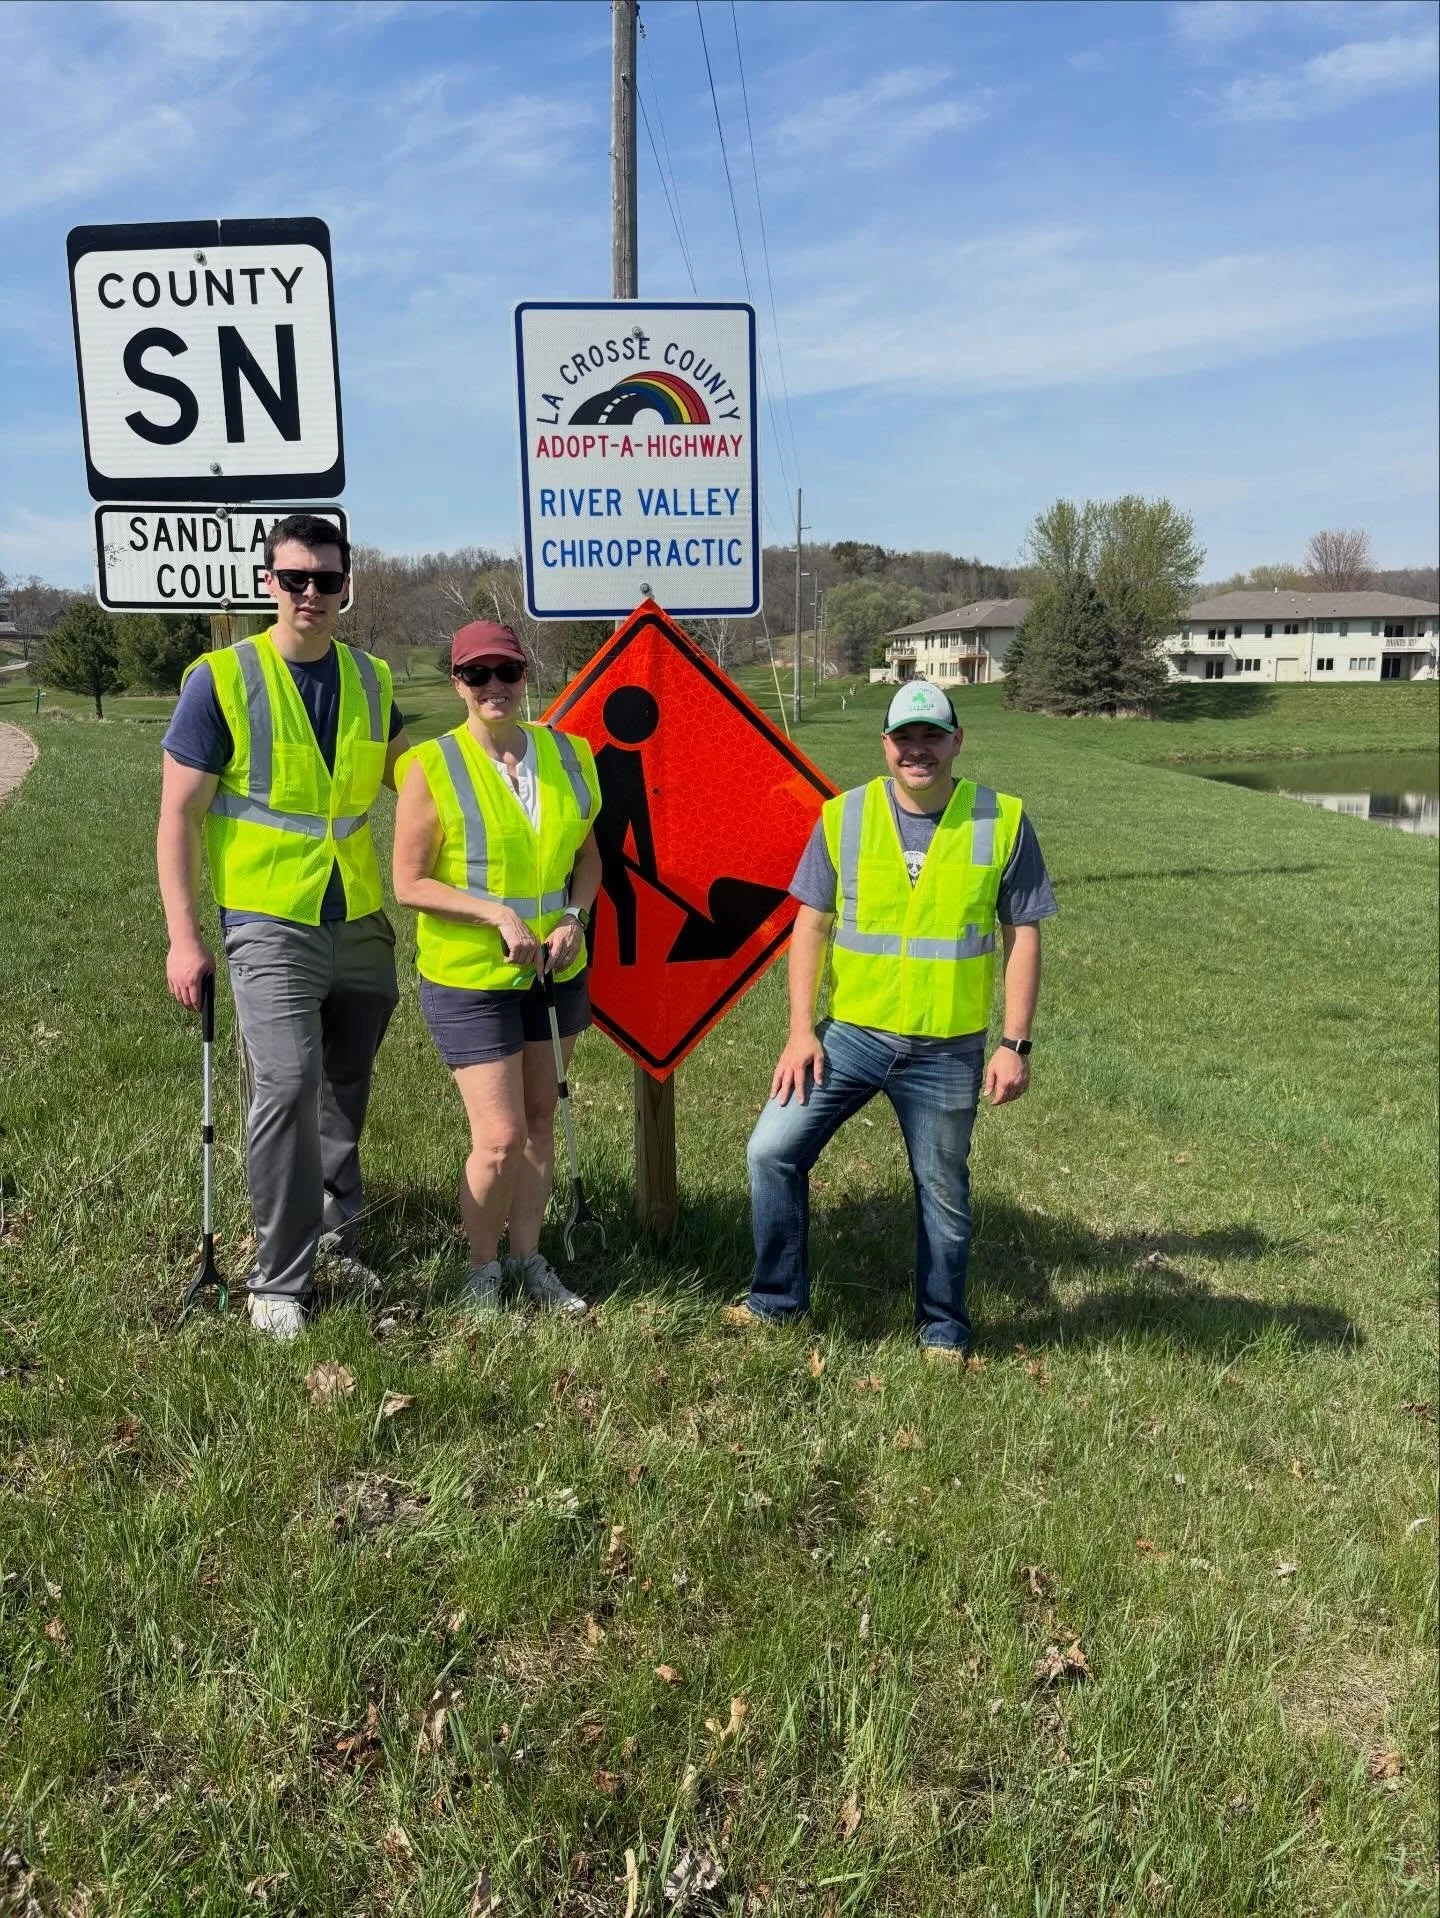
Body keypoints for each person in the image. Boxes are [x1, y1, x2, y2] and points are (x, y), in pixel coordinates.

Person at [733, 679, 1057, 1358]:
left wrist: (1015, 1043)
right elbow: (810, 927)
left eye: (931, 737)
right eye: (904, 738)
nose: (918, 751)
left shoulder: (1001, 819)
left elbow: (1021, 932)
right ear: (885, 745)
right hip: (850, 1035)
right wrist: (800, 1030)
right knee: (771, 1150)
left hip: (947, 1048)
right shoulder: (843, 816)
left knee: (943, 1191)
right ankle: (776, 1302)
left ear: (956, 741)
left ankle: (942, 1329)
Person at [158, 513, 410, 1340]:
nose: (311, 593)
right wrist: (184, 935)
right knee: (288, 1084)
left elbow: (420, 785)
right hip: (268, 920)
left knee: (345, 1084)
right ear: (269, 582)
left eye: (326, 579)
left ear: (346, 586)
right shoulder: (221, 679)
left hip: (361, 917)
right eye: (295, 578)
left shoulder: (371, 678)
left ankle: (336, 1233)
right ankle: (280, 1278)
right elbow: (177, 818)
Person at [391, 620, 602, 1314]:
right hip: (469, 980)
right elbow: (410, 882)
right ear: (457, 683)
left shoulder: (569, 756)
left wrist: (574, 918)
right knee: (501, 1137)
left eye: (505, 672)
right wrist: (496, 916)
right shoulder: (430, 765)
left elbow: (589, 859)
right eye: (475, 675)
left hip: (554, 972)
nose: (493, 687)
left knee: (540, 1122)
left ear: (525, 675)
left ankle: (528, 1259)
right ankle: (482, 1272)